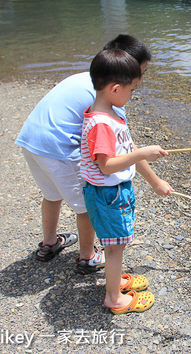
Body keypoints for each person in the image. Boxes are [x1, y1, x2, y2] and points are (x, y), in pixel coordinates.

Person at [15, 34, 154, 274]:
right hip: (59, 149)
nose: (139, 80)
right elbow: (126, 149)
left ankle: (49, 243)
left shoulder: (87, 79)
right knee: (87, 207)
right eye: (139, 74)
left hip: (31, 139)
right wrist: (155, 181)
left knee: (52, 193)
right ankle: (87, 256)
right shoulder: (108, 101)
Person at [80, 48, 172, 314]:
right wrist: (143, 153)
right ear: (115, 89)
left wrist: (155, 181)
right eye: (132, 91)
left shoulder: (110, 113)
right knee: (115, 247)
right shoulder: (101, 124)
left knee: (116, 245)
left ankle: (114, 277)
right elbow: (106, 166)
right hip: (108, 194)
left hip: (114, 193)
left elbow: (126, 151)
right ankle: (114, 298)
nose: (132, 96)